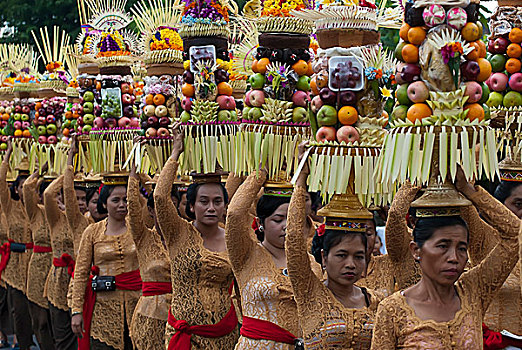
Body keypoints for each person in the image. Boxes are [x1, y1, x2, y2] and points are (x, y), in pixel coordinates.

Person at [370, 171, 521, 349]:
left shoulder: (473, 291)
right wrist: (416, 178)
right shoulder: (391, 310)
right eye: (442, 246)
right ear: (416, 250)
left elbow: (514, 234)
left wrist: (470, 191)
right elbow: (395, 216)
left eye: (462, 248)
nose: (454, 258)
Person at [154, 124, 239, 349]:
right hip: (185, 336)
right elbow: (160, 198)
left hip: (226, 334)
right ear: (191, 206)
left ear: (225, 206)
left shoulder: (233, 238)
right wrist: (175, 153)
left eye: (217, 202)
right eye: (204, 202)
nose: (211, 208)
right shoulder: (178, 232)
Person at [285, 163, 383, 349]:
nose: (351, 264)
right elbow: (294, 239)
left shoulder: (377, 302)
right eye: (342, 255)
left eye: (359, 256)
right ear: (324, 257)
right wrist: (302, 179)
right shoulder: (309, 293)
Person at [225, 169, 322, 348]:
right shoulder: (246, 255)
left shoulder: (310, 263)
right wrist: (261, 171)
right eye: (278, 220)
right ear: (261, 224)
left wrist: (302, 180)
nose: (287, 226)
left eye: (292, 220)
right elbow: (234, 214)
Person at [71, 174, 141, 350]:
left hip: (137, 307)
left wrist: (135, 173)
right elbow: (80, 273)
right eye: (116, 200)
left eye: (126, 199)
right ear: (104, 203)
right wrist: (76, 310)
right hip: (103, 311)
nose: (122, 204)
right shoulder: (92, 232)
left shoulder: (139, 228)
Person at [460, 179, 522, 342]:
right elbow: (516, 231)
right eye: (518, 204)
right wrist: (469, 190)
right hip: (492, 343)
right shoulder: (482, 236)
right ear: (498, 204)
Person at [128, 163, 171, 350]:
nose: (164, 213)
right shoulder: (144, 237)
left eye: (169, 207)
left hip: (181, 316)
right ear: (151, 211)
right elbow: (133, 208)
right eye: (158, 208)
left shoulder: (187, 237)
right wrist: (135, 175)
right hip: (150, 316)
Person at [358, 182, 421, 296]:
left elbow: (396, 218)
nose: (363, 240)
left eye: (369, 233)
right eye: (358, 234)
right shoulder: (336, 268)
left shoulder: (387, 263)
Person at [0, 140, 34, 349]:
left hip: (35, 263)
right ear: (16, 188)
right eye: (22, 186)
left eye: (29, 185)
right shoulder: (10, 207)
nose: (25, 189)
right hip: (13, 264)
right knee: (18, 311)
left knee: (38, 315)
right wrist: (8, 155)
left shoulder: (39, 208)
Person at [22, 170, 55, 350]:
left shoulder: (66, 215)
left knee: (56, 319)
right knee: (41, 320)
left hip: (58, 268)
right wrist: (42, 171)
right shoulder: (36, 212)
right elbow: (27, 187)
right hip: (38, 267)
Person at [44, 175, 77, 350]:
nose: (79, 203)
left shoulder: (88, 221)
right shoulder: (56, 218)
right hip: (58, 283)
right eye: (74, 198)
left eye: (83, 199)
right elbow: (49, 194)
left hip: (80, 285)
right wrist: (69, 172)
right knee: (62, 336)